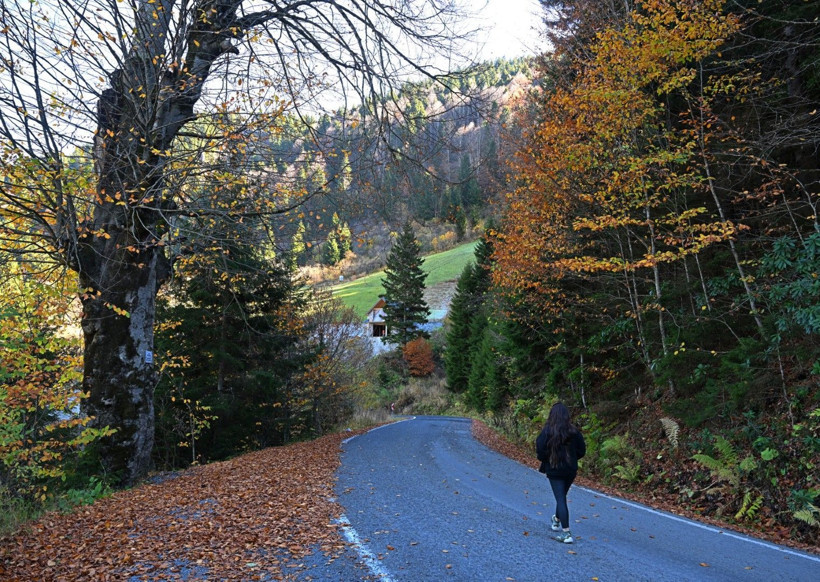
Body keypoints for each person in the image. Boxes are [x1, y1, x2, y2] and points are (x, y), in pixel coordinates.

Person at [536, 402, 586, 544]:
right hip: (570, 469)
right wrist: (573, 458)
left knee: (561, 498)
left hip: (554, 469)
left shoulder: (547, 432)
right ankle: (556, 520)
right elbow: (582, 450)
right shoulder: (574, 432)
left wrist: (547, 459)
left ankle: (566, 532)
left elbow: (540, 450)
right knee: (562, 496)